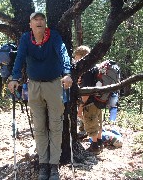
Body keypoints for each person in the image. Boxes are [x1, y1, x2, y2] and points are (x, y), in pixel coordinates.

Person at [8, 12, 73, 180]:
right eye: (35, 19)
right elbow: (19, 58)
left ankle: (54, 167)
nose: (39, 21)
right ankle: (43, 165)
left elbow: (63, 53)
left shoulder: (54, 37)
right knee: (39, 127)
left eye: (42, 19)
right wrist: (14, 78)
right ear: (30, 24)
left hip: (54, 84)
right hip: (33, 86)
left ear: (45, 23)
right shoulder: (25, 39)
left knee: (56, 126)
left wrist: (67, 73)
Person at [74, 45, 103, 155]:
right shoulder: (95, 67)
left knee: (91, 124)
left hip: (89, 102)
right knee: (98, 122)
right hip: (98, 100)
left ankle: (94, 146)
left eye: (76, 56)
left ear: (81, 56)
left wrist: (80, 108)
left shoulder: (86, 70)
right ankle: (100, 143)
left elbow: (86, 91)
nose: (75, 59)